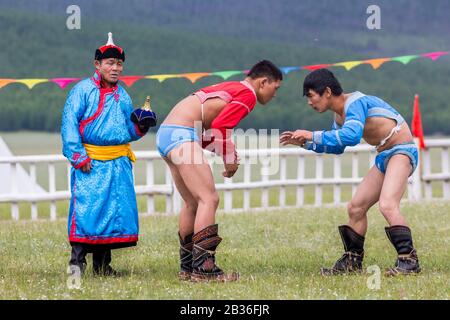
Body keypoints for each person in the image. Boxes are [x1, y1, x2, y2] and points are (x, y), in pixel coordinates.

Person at [280, 68, 421, 276]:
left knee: (388, 205)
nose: (309, 102)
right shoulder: (339, 116)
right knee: (356, 208)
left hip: (402, 151)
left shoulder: (354, 103)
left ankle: (409, 261)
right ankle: (352, 262)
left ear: (327, 91)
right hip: (385, 156)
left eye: (311, 96)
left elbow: (352, 136)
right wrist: (305, 144)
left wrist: (311, 134)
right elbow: (338, 145)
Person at [156, 60, 283, 282]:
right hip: (183, 134)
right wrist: (230, 158)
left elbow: (208, 134)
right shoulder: (248, 94)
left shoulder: (231, 87)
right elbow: (221, 127)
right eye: (276, 88)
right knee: (209, 199)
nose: (275, 95)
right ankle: (204, 270)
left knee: (192, 203)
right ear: (263, 82)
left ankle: (187, 269)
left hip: (167, 133)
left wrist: (223, 153)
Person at [61, 32, 156, 276]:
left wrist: (141, 126)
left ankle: (103, 267)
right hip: (91, 162)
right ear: (97, 65)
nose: (115, 68)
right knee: (87, 211)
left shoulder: (122, 95)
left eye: (119, 64)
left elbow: (126, 131)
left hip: (118, 163)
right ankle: (77, 265)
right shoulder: (81, 91)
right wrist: (78, 156)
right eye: (110, 63)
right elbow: (69, 125)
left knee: (112, 213)